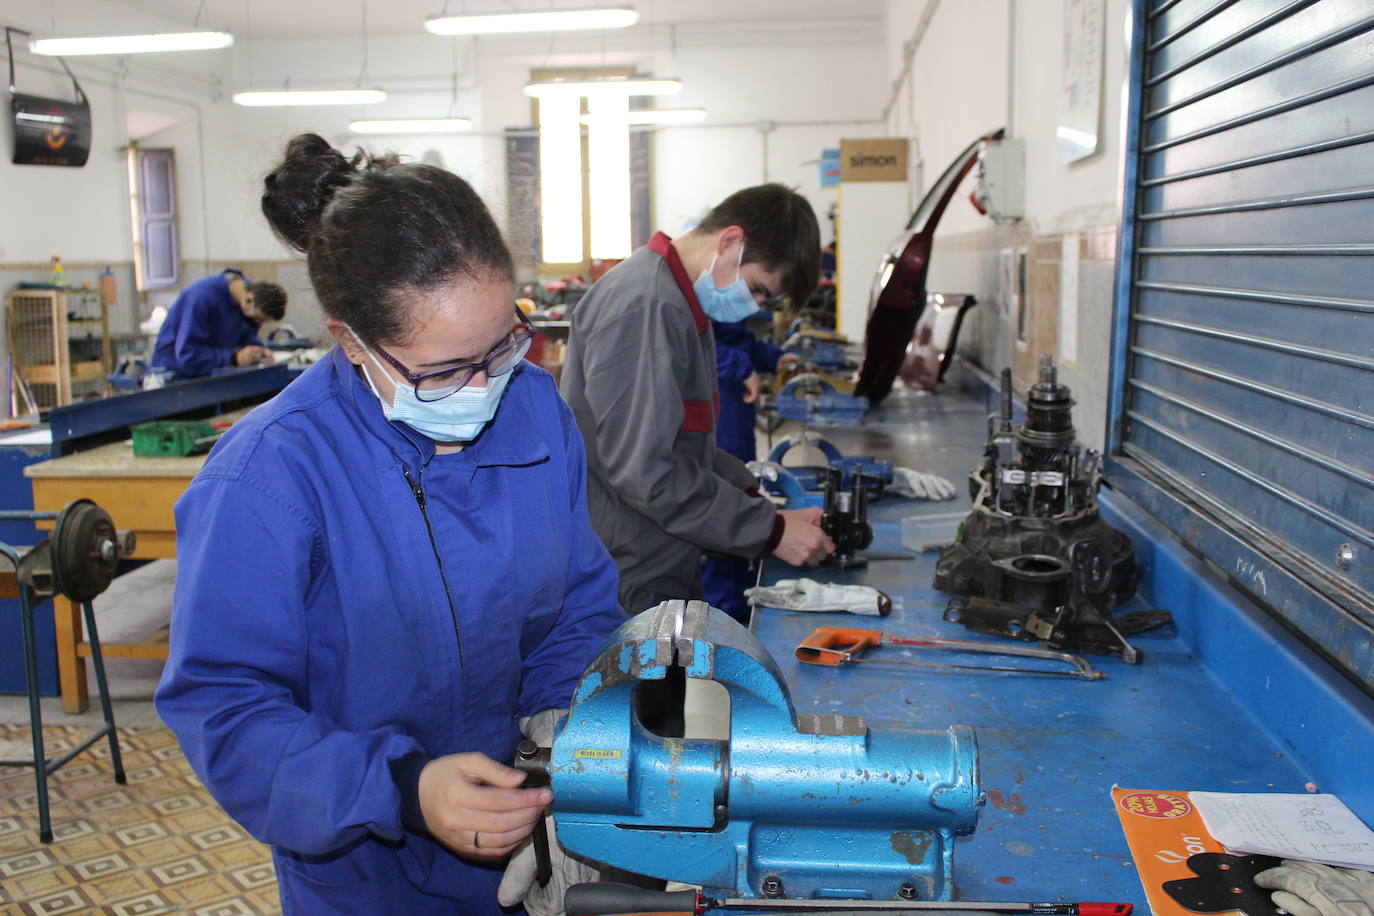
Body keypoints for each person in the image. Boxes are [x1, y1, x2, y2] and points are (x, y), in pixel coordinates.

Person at [154, 133, 624, 915]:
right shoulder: (268, 478)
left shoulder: (535, 411)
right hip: (364, 870)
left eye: (502, 347)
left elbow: (578, 603)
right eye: (444, 372)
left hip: (532, 832)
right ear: (350, 341)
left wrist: (559, 734)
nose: (484, 386)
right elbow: (226, 707)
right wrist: (403, 787)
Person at [559, 183, 835, 622]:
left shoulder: (679, 300)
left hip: (658, 551)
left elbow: (685, 443)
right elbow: (647, 472)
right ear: (730, 242)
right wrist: (770, 530)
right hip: (626, 570)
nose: (753, 307)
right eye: (759, 289)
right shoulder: (647, 304)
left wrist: (755, 499)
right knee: (643, 691)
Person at [701, 312, 799, 620]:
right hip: (719, 402)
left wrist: (774, 358)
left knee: (743, 489)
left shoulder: (723, 299)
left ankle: (745, 594)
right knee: (722, 504)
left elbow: (737, 340)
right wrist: (741, 367)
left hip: (735, 407)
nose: (758, 303)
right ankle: (723, 613)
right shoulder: (694, 292)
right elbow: (698, 347)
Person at [151, 268, 287, 379]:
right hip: (175, 375)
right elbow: (188, 355)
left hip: (211, 373)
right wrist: (234, 358)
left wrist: (258, 350)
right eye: (259, 319)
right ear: (248, 301)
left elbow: (247, 334)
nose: (258, 324)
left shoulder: (251, 295)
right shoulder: (201, 298)